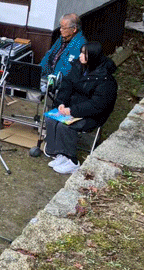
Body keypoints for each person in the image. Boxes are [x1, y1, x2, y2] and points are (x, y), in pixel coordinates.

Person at [45, 41, 117, 175]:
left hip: (92, 115)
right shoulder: (78, 67)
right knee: (51, 119)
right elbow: (66, 86)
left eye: (84, 54)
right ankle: (58, 153)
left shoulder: (105, 80)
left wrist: (72, 111)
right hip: (71, 108)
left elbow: (97, 105)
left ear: (93, 56)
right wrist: (61, 103)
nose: (80, 56)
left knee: (64, 126)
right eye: (81, 52)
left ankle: (72, 161)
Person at [39, 13, 87, 89]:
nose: (60, 30)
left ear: (74, 29)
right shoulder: (62, 38)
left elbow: (67, 69)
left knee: (34, 93)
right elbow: (48, 56)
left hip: (60, 83)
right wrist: (38, 72)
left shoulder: (80, 44)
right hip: (48, 77)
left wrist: (50, 81)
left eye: (63, 28)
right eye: (60, 27)